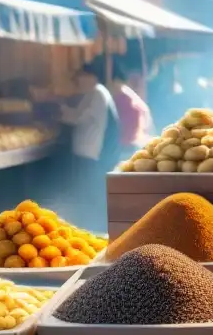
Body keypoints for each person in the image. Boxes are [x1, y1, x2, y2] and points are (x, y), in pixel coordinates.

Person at [60, 61, 119, 231]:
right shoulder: (94, 93)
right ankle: (90, 226)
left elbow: (78, 118)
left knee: (90, 194)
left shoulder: (97, 94)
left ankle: (93, 228)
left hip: (92, 153)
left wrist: (60, 110)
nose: (78, 80)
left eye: (81, 76)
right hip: (89, 152)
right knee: (89, 193)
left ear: (91, 76)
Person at [110, 65, 153, 162]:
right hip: (132, 146)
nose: (136, 83)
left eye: (137, 80)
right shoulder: (131, 97)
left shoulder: (122, 98)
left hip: (127, 147)